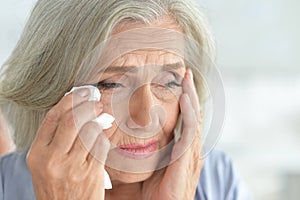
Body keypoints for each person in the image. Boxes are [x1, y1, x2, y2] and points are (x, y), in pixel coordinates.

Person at [0, 0, 251, 199]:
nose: (145, 118)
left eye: (168, 82)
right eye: (112, 84)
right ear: (51, 89)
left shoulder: (218, 180)